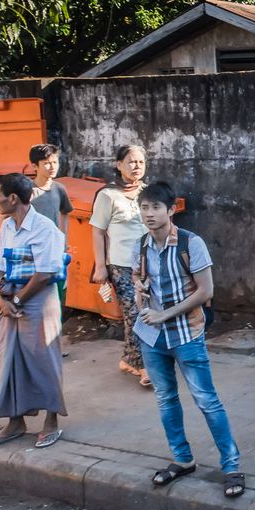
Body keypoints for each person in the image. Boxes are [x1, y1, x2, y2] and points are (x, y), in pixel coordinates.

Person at [131, 181, 245, 498]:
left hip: (186, 334)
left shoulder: (190, 244)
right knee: (165, 399)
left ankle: (232, 466)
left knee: (207, 400)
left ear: (171, 210)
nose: (149, 214)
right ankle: (182, 459)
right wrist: (140, 291)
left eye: (156, 207)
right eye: (144, 207)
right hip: (151, 337)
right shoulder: (141, 244)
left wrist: (166, 314)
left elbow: (205, 292)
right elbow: (137, 277)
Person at [0, 174, 67, 450]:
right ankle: (15, 421)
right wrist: (0, 298)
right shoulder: (6, 226)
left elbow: (44, 273)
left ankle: (51, 421)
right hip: (11, 299)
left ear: (13, 199)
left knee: (44, 360)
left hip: (38, 301)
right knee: (10, 359)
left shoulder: (44, 228)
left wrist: (15, 301)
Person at [90, 144, 152, 388]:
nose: (136, 166)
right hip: (121, 265)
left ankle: (129, 357)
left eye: (140, 162)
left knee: (149, 310)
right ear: (118, 165)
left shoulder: (147, 193)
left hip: (148, 263)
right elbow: (97, 232)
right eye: (131, 162)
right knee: (135, 313)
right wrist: (100, 267)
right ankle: (144, 366)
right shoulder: (108, 195)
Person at [28, 144, 73, 312]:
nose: (52, 167)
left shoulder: (59, 189)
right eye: (46, 163)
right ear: (34, 166)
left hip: (55, 249)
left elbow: (65, 212)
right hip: (32, 251)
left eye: (55, 162)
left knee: (58, 290)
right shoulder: (27, 191)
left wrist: (63, 237)